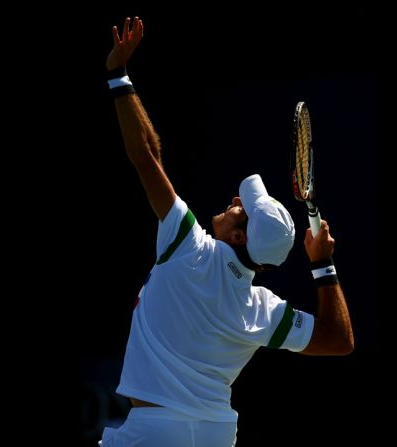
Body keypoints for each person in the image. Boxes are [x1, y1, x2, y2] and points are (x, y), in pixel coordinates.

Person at [100, 17, 354, 447]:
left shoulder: (187, 245)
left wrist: (117, 74)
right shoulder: (263, 309)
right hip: (217, 433)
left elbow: (146, 156)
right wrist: (322, 265)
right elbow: (339, 341)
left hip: (154, 432)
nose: (235, 202)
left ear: (238, 237)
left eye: (242, 209)